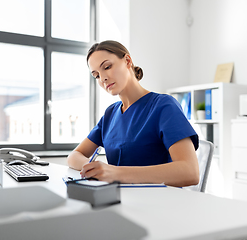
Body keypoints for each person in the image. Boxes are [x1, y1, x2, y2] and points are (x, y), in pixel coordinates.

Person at [67, 40, 199, 188]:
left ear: (127, 61)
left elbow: (190, 172)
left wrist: (116, 173)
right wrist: (95, 168)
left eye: (107, 67)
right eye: (96, 75)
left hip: (159, 203)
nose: (103, 78)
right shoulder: (110, 114)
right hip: (119, 199)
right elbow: (74, 156)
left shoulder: (164, 106)